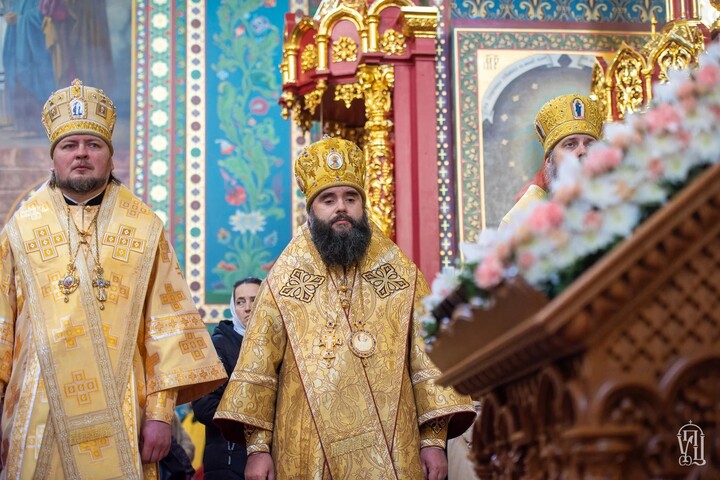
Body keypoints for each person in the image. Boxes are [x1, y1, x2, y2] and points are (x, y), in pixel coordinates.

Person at [0, 78, 227, 479]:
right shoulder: (20, 229)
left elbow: (166, 326)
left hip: (123, 410)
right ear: (53, 159)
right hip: (36, 410)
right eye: (69, 146)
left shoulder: (144, 228)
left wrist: (159, 415)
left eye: (93, 144)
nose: (81, 153)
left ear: (111, 157)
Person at [213, 136, 476, 479]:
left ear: (362, 206)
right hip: (307, 450)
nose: (341, 207)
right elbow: (258, 369)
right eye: (329, 199)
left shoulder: (400, 275)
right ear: (311, 210)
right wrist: (258, 449)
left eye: (350, 198)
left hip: (394, 449)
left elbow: (428, 361)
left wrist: (433, 440)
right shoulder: (284, 281)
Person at [192, 277, 261, 479]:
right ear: (233, 307)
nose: (247, 308)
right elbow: (204, 404)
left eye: (254, 300)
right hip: (228, 461)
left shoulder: (279, 343)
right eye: (240, 302)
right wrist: (253, 424)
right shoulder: (218, 345)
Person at [500, 93, 604, 228]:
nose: (583, 151)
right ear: (549, 161)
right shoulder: (522, 223)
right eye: (570, 144)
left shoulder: (620, 205)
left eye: (590, 144)